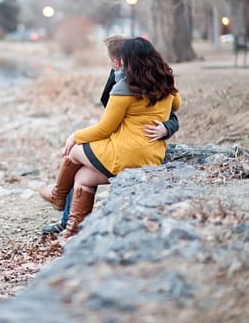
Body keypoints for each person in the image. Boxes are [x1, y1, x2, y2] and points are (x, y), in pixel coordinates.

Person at [39, 36, 181, 239]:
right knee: (82, 178)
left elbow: (105, 128)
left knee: (75, 151)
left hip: (125, 153)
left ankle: (57, 196)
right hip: (151, 155)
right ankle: (72, 232)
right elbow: (176, 106)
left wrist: (74, 136)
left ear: (126, 61)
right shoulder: (166, 82)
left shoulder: (125, 87)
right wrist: (164, 124)